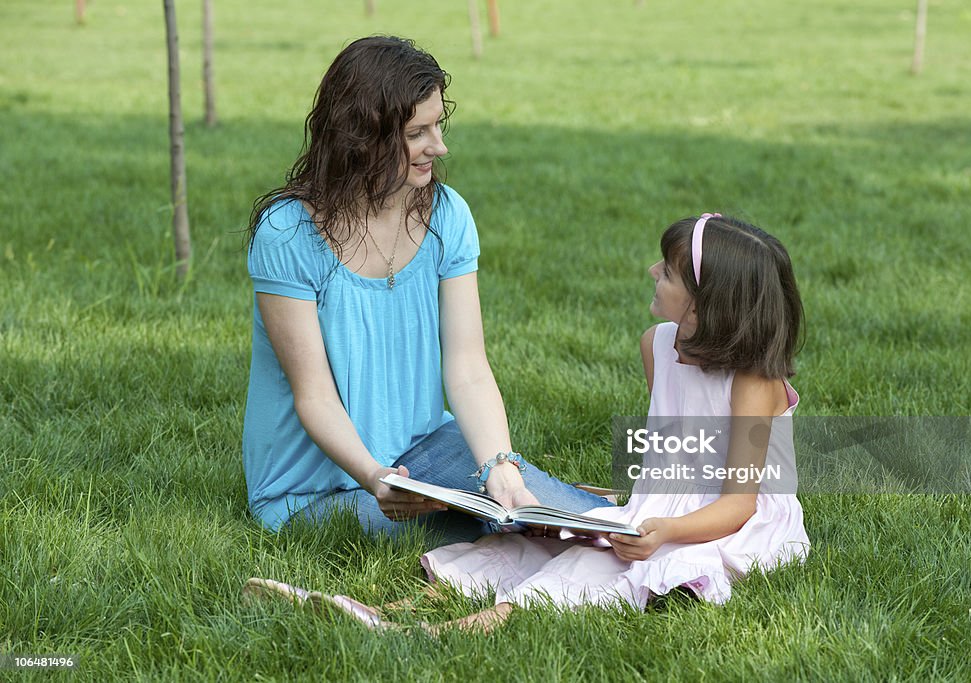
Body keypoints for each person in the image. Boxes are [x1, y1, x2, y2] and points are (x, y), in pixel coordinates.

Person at [257, 212, 811, 632]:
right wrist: (629, 505)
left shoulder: (753, 382)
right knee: (529, 543)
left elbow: (739, 501)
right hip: (670, 507)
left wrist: (664, 528)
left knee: (590, 572)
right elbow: (679, 459)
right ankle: (369, 610)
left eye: (666, 272)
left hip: (737, 523)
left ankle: (437, 632)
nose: (651, 273)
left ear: (703, 306)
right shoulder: (657, 346)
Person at [241, 36, 612, 544]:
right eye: (418, 132)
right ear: (362, 138)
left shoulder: (447, 214)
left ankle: (637, 522)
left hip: (428, 449)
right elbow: (315, 396)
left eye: (438, 124)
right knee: (503, 536)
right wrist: (377, 478)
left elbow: (468, 367)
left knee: (575, 526)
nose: (439, 146)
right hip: (318, 490)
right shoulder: (288, 234)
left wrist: (500, 466)